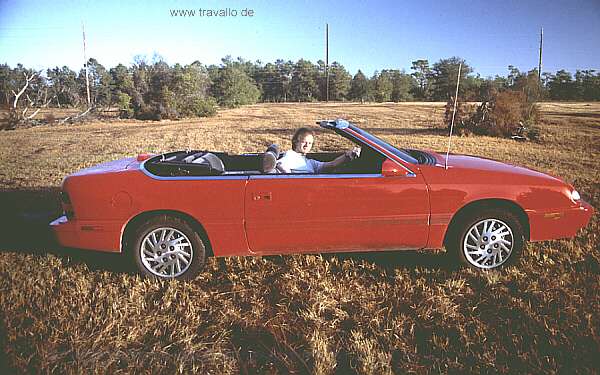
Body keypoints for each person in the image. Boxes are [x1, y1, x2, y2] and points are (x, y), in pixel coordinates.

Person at [265, 127, 359, 174]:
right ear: (295, 142)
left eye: (310, 143)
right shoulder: (290, 155)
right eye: (304, 142)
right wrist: (289, 176)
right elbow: (279, 164)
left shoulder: (309, 162)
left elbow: (332, 164)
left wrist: (347, 155)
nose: (307, 145)